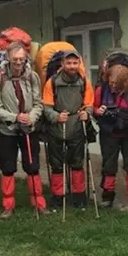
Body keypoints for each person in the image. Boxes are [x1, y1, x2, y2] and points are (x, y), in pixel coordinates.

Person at [0, 42, 46, 218]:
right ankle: (8, 206)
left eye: (22, 59)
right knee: (8, 167)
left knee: (33, 166)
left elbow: (38, 103)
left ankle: (39, 203)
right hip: (7, 129)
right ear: (8, 58)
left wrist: (31, 117)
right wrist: (15, 117)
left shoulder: (32, 77)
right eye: (15, 59)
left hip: (28, 128)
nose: (19, 63)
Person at [42, 50, 94, 211]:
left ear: (79, 64)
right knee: (57, 165)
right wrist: (56, 116)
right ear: (63, 64)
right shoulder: (52, 82)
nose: (72, 66)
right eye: (69, 63)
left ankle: (79, 196)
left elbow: (89, 104)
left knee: (77, 164)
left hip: (77, 127)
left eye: (75, 63)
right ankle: (58, 197)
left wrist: (87, 113)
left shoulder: (84, 81)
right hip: (57, 129)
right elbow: (46, 107)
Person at [93, 64, 128, 208]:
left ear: (124, 82)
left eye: (116, 83)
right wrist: (98, 111)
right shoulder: (101, 90)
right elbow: (93, 107)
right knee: (109, 165)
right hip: (109, 133)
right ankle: (108, 195)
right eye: (111, 82)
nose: (113, 86)